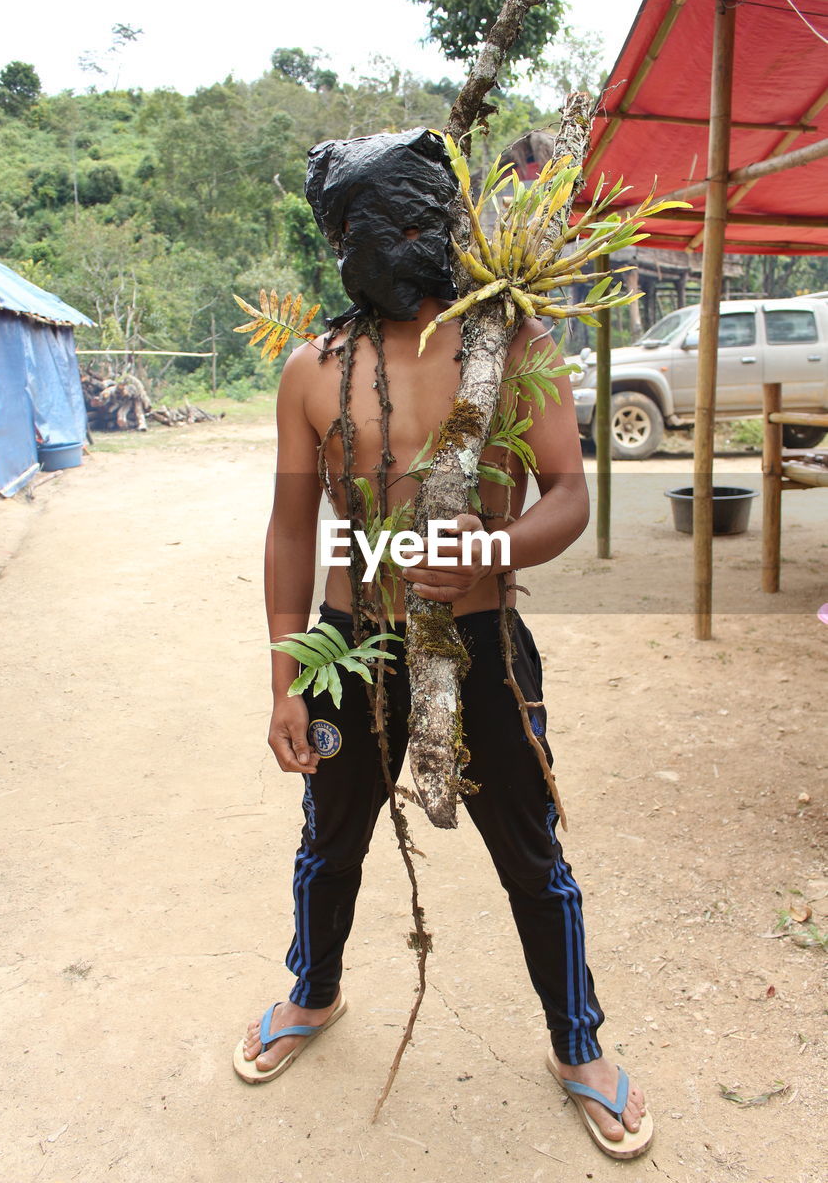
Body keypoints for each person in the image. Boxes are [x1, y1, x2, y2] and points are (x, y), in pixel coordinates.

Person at [233, 129, 654, 1161]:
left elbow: (570, 495)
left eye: (416, 225)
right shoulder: (313, 369)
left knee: (531, 851)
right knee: (328, 839)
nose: (397, 247)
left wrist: (490, 548)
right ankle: (314, 990)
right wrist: (289, 676)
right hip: (352, 643)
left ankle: (578, 1043)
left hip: (482, 640)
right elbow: (293, 529)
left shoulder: (509, 347)